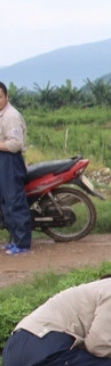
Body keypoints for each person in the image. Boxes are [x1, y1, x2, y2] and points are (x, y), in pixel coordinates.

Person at [0, 81, 33, 255]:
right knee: (5, 203)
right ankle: (14, 239)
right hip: (2, 160)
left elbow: (14, 144)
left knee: (14, 202)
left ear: (6, 96)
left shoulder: (11, 116)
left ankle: (22, 243)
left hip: (10, 161)